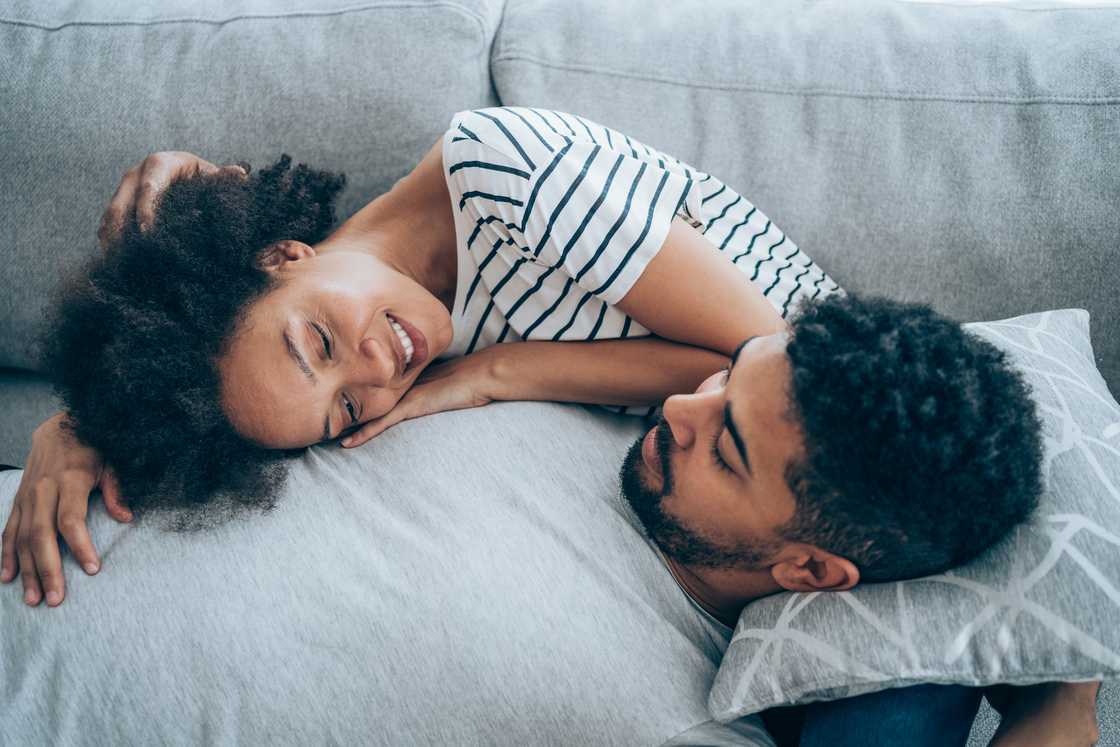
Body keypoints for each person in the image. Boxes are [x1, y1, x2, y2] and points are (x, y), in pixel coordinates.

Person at [0, 106, 1097, 744]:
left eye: (321, 343)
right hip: (760, 489)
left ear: (284, 255)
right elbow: (227, 384)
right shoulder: (364, 322)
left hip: (821, 420)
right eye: (344, 410)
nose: (378, 372)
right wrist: (88, 423)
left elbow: (750, 355)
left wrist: (492, 375)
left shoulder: (506, 173)